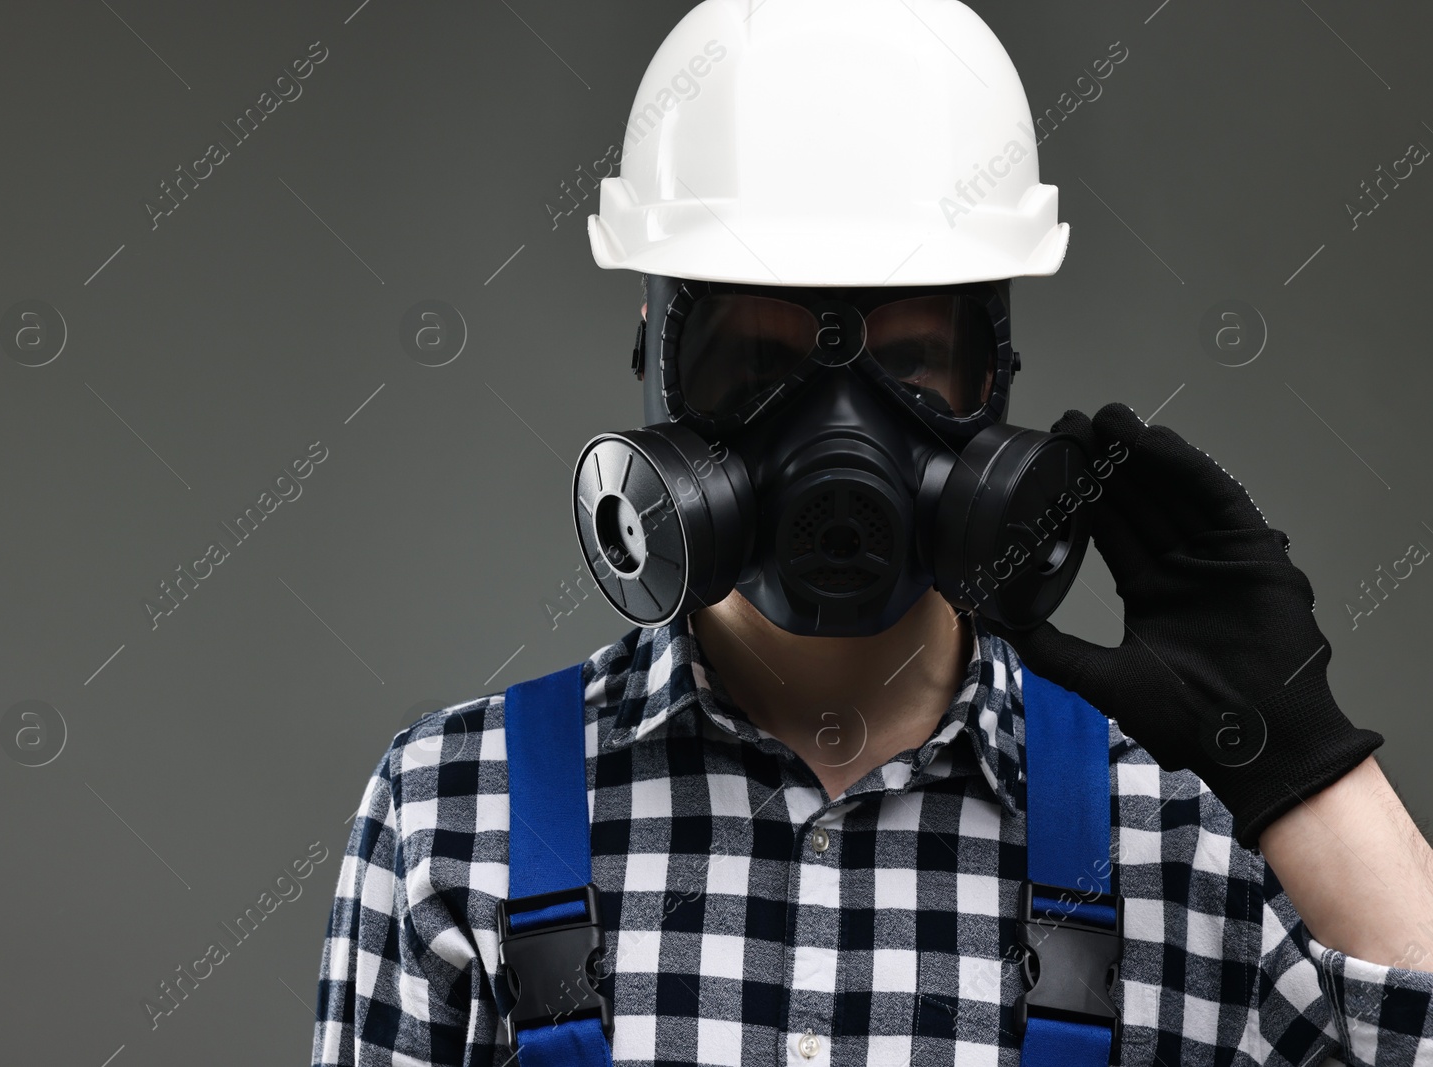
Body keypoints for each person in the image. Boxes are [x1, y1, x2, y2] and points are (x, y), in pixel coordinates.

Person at [312, 2, 1433, 1064]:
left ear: (995, 374)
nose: (836, 432)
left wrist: (1298, 760)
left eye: (907, 361)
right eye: (755, 359)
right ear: (654, 356)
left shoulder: (1177, 839)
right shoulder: (460, 812)